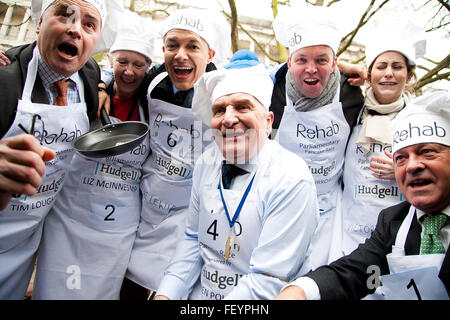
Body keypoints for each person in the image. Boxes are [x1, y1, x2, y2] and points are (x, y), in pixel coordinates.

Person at [154, 64, 319, 300]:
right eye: (219, 110)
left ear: (268, 121)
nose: (229, 119)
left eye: (242, 107)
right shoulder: (205, 163)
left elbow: (269, 279)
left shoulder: (291, 178)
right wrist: (166, 294)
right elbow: (192, 239)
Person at [98, 8, 231, 299]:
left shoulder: (224, 91)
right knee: (128, 284)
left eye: (192, 46)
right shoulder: (154, 80)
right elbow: (117, 74)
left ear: (210, 54)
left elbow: (271, 79)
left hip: (190, 213)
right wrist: (101, 86)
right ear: (163, 51)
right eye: (173, 45)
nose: (180, 54)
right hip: (148, 204)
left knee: (174, 286)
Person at [0, 0, 123, 299]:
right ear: (39, 23)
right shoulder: (5, 78)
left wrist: (105, 86)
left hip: (26, 242)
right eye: (64, 15)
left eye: (88, 24)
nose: (74, 29)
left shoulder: (90, 75)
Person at [275, 90, 450, 300]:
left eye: (427, 152)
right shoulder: (393, 221)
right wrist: (302, 291)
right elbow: (358, 273)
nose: (412, 166)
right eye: (401, 158)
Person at [30, 10, 154, 300]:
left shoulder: (153, 103)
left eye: (138, 64)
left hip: (118, 227)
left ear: (147, 68)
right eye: (122, 61)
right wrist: (99, 84)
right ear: (110, 60)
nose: (129, 71)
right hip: (70, 217)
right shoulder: (88, 89)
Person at [270, 6, 364, 271]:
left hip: (329, 211)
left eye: (322, 60)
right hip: (282, 203)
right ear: (288, 63)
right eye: (301, 60)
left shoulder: (351, 94)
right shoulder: (271, 89)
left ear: (334, 63)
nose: (311, 69)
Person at [331, 21, 427, 261]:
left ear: (409, 75)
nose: (388, 73)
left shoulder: (421, 119)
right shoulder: (351, 109)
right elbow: (309, 72)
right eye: (381, 66)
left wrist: (404, 170)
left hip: (401, 235)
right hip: (348, 232)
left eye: (397, 67)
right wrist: (344, 66)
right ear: (369, 74)